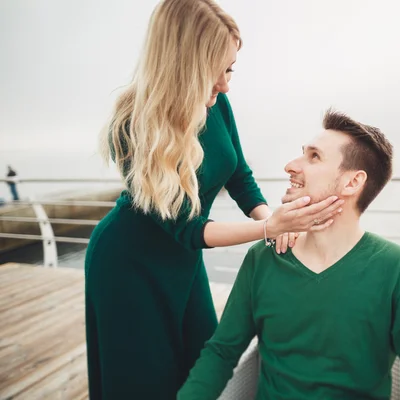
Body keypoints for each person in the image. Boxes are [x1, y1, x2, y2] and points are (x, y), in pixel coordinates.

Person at [84, 1, 343, 399]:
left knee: (205, 371)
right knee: (144, 384)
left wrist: (274, 221)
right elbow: (187, 228)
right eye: (218, 70)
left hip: (183, 266)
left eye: (230, 68)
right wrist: (269, 228)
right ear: (186, 65)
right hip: (128, 267)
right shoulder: (133, 122)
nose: (225, 83)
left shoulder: (216, 103)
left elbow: (239, 174)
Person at [178, 109, 400, 399]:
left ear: (352, 182)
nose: (290, 166)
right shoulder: (263, 258)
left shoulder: (397, 269)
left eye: (314, 157)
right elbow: (222, 353)